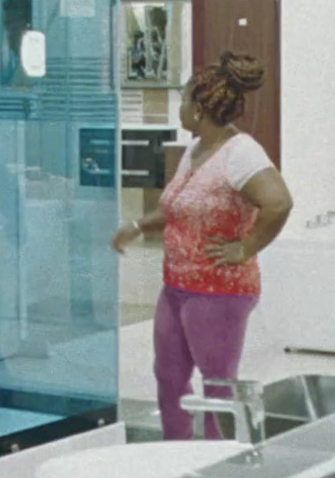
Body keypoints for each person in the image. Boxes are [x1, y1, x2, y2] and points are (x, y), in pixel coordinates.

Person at [111, 51, 293, 440]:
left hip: (219, 291)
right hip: (177, 286)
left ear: (199, 108)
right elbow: (179, 209)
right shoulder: (195, 152)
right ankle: (177, 450)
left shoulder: (241, 152)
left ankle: (217, 458)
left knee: (217, 384)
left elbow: (279, 202)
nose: (180, 108)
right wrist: (137, 226)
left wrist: (246, 247)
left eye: (184, 100)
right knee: (169, 375)